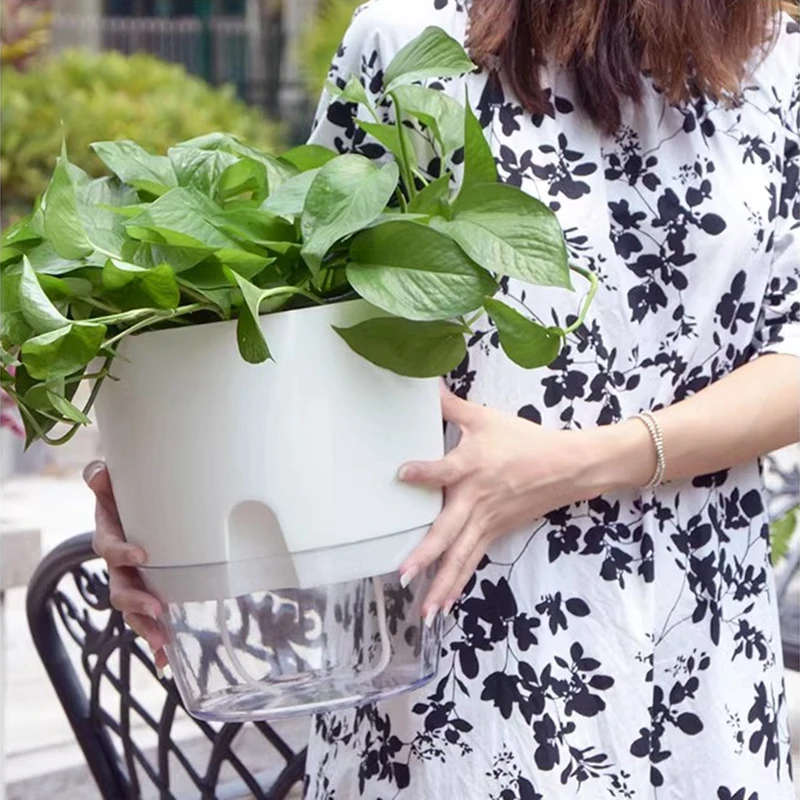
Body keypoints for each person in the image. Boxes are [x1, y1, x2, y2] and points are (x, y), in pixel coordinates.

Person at [85, 0, 800, 796]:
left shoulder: (779, 63)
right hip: (457, 656)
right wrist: (167, 508)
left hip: (696, 649)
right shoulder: (406, 37)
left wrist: (579, 463)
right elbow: (302, 318)